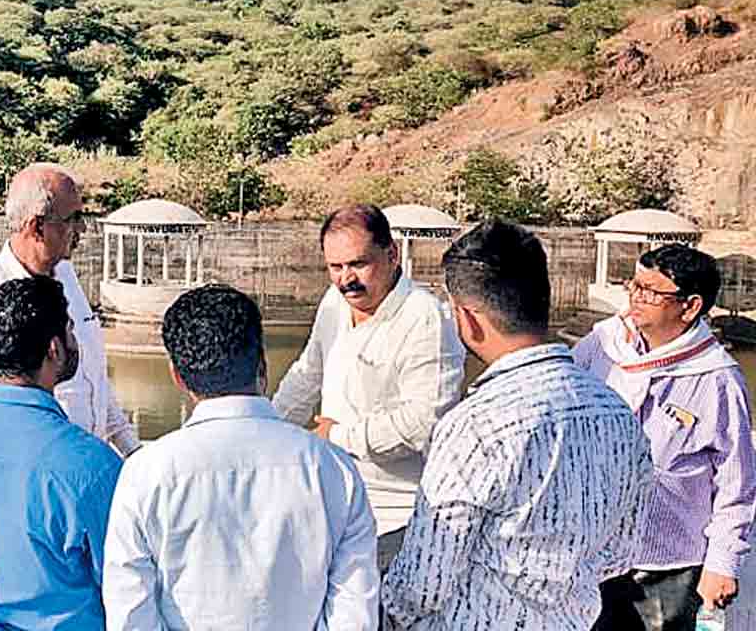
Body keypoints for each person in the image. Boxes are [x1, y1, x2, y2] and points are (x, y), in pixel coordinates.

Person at [382, 221, 653, 630]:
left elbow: (423, 583)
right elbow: (620, 550)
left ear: (467, 319)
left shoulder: (476, 425)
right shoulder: (617, 412)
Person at [104, 283, 378, 630]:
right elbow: (354, 614)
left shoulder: (145, 474)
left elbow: (130, 616)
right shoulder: (332, 468)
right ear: (262, 364)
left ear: (177, 375)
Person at [272, 203, 464, 570]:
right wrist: (263, 427)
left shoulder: (425, 318)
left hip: (397, 519)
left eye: (359, 264)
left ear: (392, 255)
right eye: (336, 267)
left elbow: (424, 423)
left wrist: (339, 437)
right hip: (331, 502)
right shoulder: (335, 301)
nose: (347, 279)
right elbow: (307, 374)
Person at [0, 276, 123, 629]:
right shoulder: (92, 464)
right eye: (70, 330)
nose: (75, 341)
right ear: (54, 348)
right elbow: (124, 583)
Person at [576, 244, 756, 630]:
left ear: (690, 307)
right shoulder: (604, 345)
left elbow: (736, 485)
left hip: (666, 563)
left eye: (651, 292)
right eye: (634, 286)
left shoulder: (717, 379)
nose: (636, 299)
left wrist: (722, 563)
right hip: (594, 550)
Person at [0, 163, 140, 455]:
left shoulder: (66, 276)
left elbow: (95, 379)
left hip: (87, 466)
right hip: (38, 471)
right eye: (73, 218)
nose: (82, 229)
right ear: (36, 226)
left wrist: (132, 451)